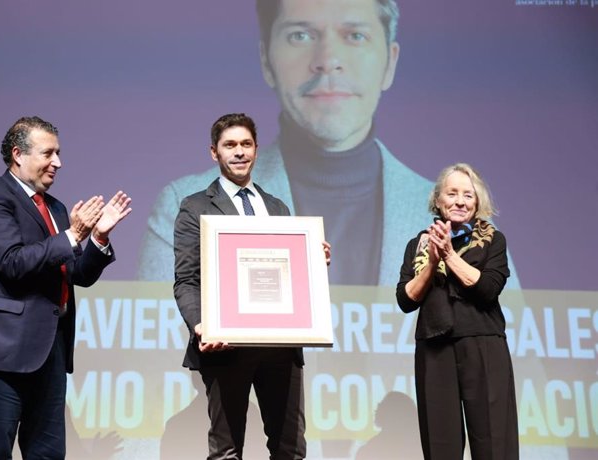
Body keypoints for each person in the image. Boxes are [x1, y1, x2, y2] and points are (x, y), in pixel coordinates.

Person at [136, 0, 519, 288]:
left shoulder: (457, 215)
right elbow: (155, 357)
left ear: (390, 62)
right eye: (300, 35)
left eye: (355, 35)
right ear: (267, 61)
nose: (328, 60)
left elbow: (516, 350)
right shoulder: (184, 203)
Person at [0, 116, 132, 459]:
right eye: (48, 153)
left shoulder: (57, 208)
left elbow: (77, 274)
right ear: (18, 154)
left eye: (58, 153)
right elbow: (12, 263)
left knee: (47, 454)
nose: (57, 162)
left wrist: (99, 238)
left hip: (49, 353)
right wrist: (74, 235)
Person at [173, 113, 330, 459]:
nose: (239, 152)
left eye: (246, 144)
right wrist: (203, 327)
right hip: (224, 345)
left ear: (257, 150)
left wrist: (311, 264)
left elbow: (289, 277)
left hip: (281, 346)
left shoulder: (277, 207)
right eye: (230, 145)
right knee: (227, 450)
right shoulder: (195, 207)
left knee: (290, 449)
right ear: (214, 153)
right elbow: (186, 280)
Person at [395, 163, 519, 460]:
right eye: (452, 193)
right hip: (434, 347)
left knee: (493, 441)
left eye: (468, 195)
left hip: (483, 344)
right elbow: (405, 298)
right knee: (441, 444)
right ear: (438, 201)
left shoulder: (493, 240)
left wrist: (448, 255)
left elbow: (488, 288)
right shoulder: (419, 244)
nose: (460, 201)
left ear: (477, 203)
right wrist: (432, 259)